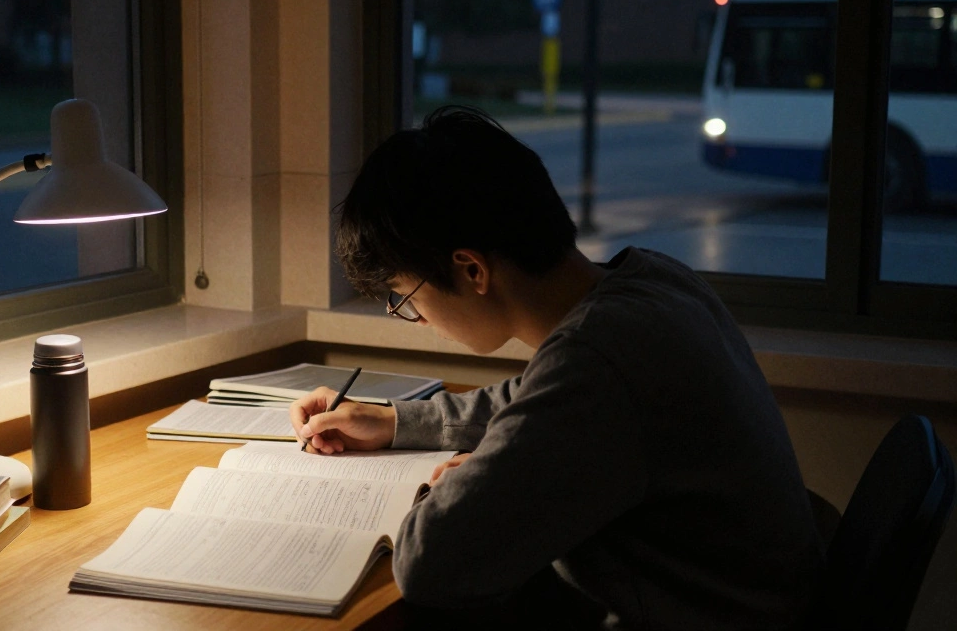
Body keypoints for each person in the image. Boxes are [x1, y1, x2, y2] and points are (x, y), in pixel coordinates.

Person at [289, 106, 823, 629]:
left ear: (471, 269)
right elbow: (533, 397)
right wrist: (394, 422)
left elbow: (430, 567)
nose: (416, 318)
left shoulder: (597, 361)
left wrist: (465, 482)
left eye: (406, 297)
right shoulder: (651, 282)